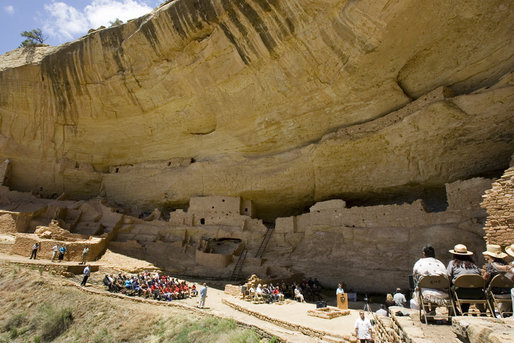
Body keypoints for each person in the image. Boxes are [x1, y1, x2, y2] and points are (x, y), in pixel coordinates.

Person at [447, 244, 482, 314]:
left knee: (449, 290)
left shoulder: (453, 264)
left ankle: (454, 312)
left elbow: (449, 277)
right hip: (477, 293)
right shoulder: (474, 265)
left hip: (459, 292)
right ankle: (464, 311)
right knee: (468, 286)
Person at [410, 244, 449, 309]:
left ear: (424, 253)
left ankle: (427, 310)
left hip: (426, 291)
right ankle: (433, 309)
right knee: (431, 285)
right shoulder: (440, 263)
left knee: (421, 285)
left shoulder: (420, 263)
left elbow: (415, 274)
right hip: (441, 291)